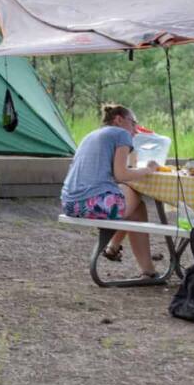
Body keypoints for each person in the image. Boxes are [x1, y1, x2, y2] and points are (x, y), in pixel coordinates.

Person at [61, 103, 159, 279]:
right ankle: (127, 256)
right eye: (133, 122)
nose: (135, 129)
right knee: (134, 194)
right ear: (119, 119)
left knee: (136, 207)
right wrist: (148, 170)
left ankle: (129, 258)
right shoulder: (121, 133)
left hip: (70, 203)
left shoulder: (92, 135)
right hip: (92, 203)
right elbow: (121, 174)